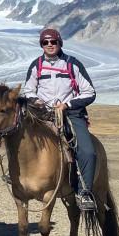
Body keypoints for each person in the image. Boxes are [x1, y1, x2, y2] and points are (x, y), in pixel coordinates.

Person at [22, 28, 97, 210]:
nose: (49, 45)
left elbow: (90, 92)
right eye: (45, 42)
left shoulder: (73, 64)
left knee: (87, 151)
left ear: (59, 43)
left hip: (70, 114)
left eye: (53, 42)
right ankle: (16, 174)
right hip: (43, 114)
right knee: (20, 137)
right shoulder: (36, 65)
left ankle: (84, 192)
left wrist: (67, 105)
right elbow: (28, 90)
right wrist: (36, 101)